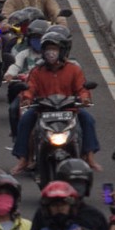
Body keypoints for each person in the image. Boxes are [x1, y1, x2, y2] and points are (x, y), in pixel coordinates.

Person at [11, 31, 99, 173]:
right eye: (48, 49)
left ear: (62, 51)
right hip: (43, 110)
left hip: (69, 109)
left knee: (88, 120)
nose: (50, 53)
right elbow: (30, 87)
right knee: (25, 121)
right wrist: (27, 98)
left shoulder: (74, 70)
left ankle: (89, 157)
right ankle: (24, 159)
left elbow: (82, 88)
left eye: (54, 49)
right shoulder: (37, 71)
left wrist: (84, 98)